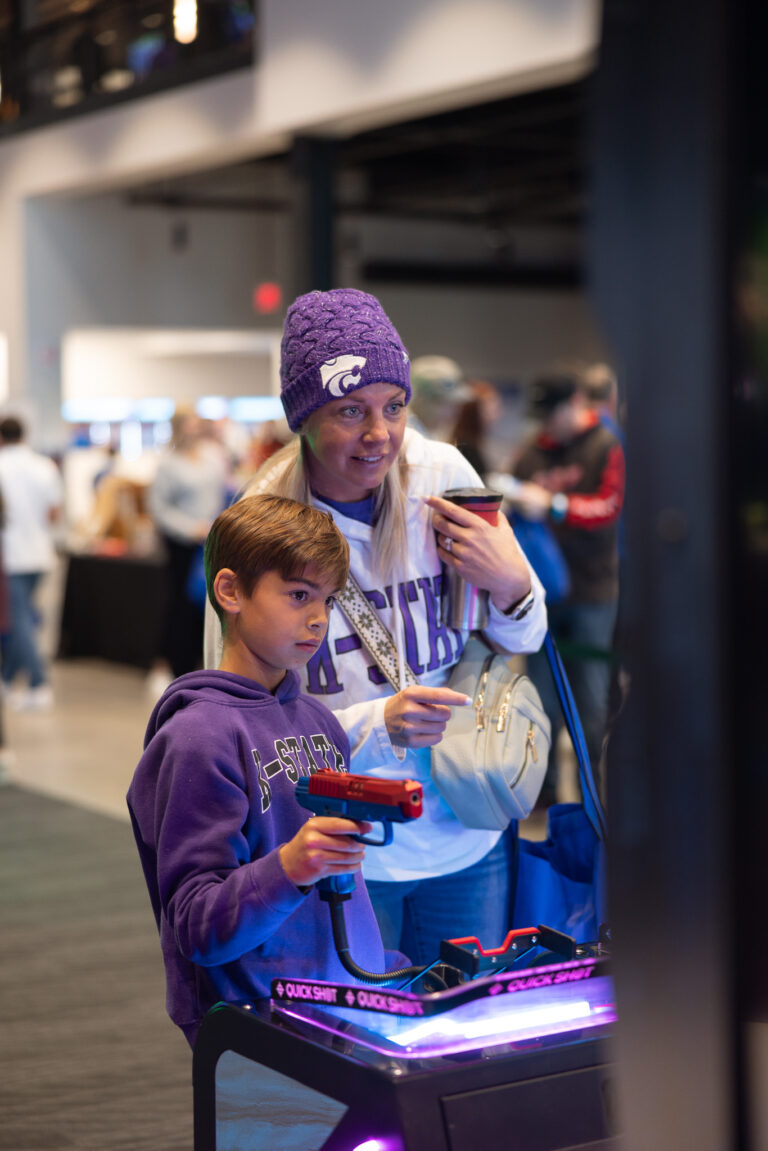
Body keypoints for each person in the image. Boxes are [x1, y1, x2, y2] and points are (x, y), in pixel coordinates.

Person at [204, 288, 547, 965]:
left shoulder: (442, 475)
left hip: (466, 823)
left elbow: (520, 637)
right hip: (349, 849)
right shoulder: (262, 520)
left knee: (472, 1036)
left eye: (394, 406)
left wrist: (512, 584)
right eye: (350, 410)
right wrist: (375, 723)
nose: (380, 433)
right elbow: (239, 717)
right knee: (365, 1047)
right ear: (303, 418)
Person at [127, 494, 399, 1046]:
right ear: (231, 591)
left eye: (327, 599)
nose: (319, 618)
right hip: (260, 1028)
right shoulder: (198, 737)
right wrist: (291, 866)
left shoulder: (320, 721)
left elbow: (345, 891)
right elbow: (196, 927)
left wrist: (380, 966)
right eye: (299, 594)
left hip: (348, 1008)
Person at [511, 365, 625, 803]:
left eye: (552, 412)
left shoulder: (604, 444)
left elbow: (609, 508)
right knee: (540, 705)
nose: (546, 422)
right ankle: (544, 800)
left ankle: (591, 799)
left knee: (591, 707)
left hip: (594, 593)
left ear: (574, 403)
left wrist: (556, 505)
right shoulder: (530, 453)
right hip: (542, 598)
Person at [146, 406, 229, 692]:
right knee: (179, 607)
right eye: (189, 425)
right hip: (182, 546)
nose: (195, 430)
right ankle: (175, 668)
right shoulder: (168, 465)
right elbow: (159, 510)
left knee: (207, 605)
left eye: (197, 424)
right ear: (179, 428)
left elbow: (222, 493)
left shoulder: (212, 457)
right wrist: (189, 528)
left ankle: (203, 666)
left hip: (212, 541)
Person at [0, 416, 63, 710]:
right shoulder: (44, 466)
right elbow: (54, 513)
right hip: (41, 553)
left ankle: (39, 684)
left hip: (11, 556)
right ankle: (7, 678)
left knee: (19, 620)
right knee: (21, 618)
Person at [407, 354, 472, 440]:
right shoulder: (404, 437)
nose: (452, 414)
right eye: (443, 404)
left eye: (455, 406)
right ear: (419, 399)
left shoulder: (432, 434)